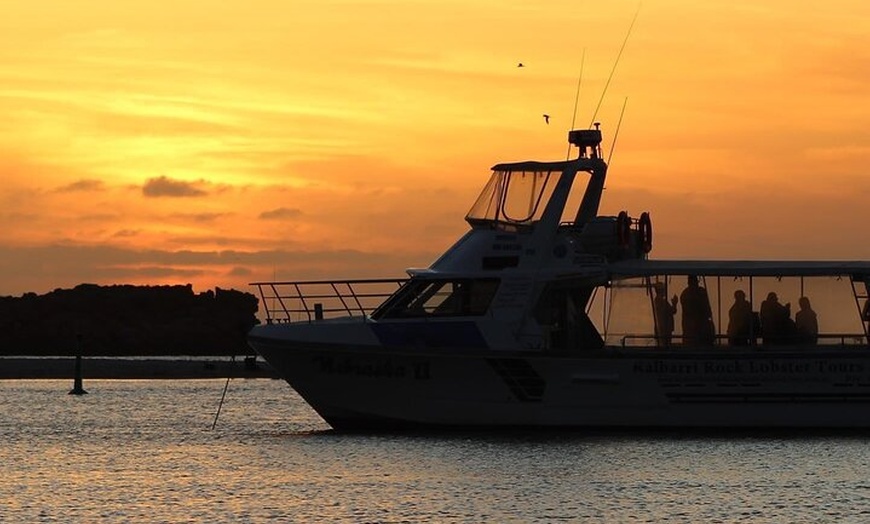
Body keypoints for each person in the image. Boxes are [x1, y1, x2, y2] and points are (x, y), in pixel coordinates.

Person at [680, 275, 715, 346]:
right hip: (695, 328)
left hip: (694, 329)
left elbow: (706, 307)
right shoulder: (699, 292)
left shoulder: (685, 293)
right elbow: (706, 308)